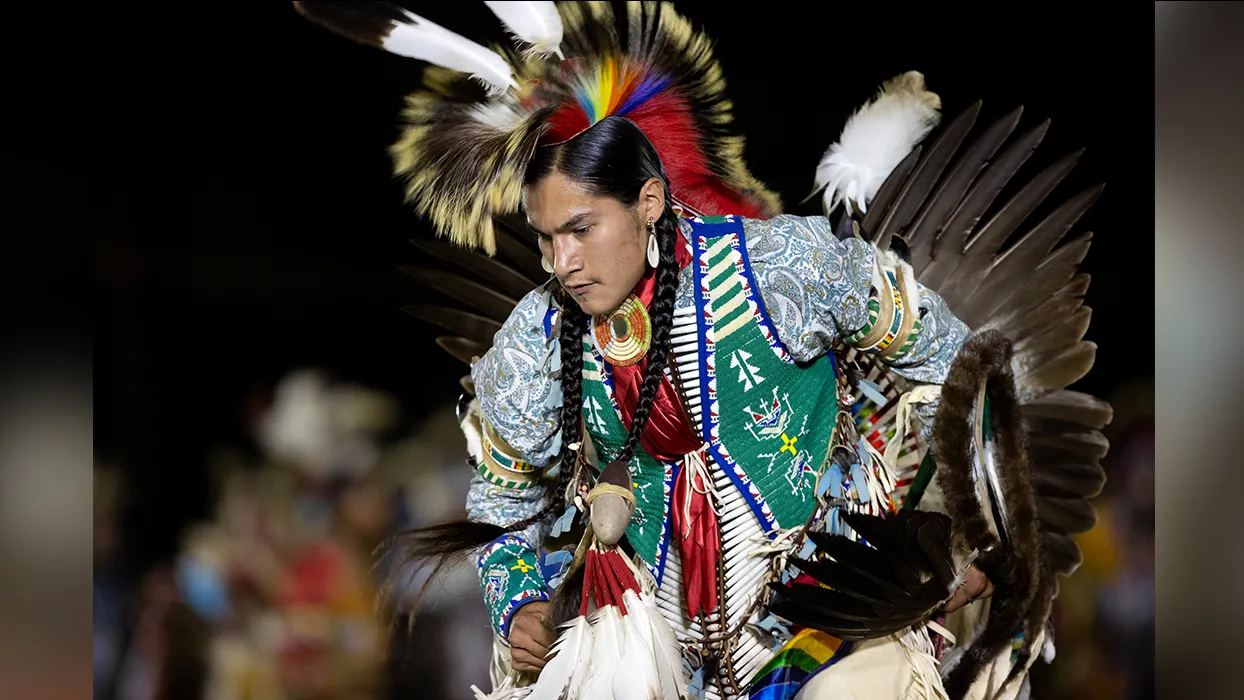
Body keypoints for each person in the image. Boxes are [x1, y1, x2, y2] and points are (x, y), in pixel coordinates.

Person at [294, 2, 1111, 699]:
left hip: (840, 621)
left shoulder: (784, 270)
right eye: (544, 238)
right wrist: (522, 608)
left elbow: (953, 366)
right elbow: (506, 504)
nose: (560, 263)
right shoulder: (539, 342)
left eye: (581, 231)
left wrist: (967, 538)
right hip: (658, 657)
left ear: (650, 201)